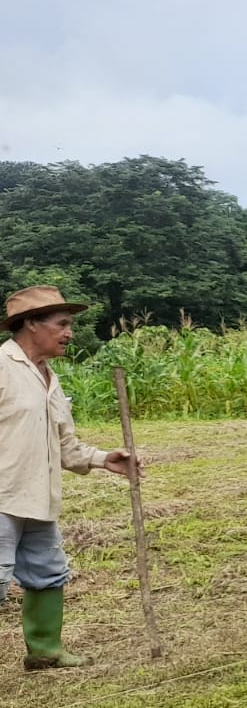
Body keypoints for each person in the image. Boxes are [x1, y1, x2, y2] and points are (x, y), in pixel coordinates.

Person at [0, 286, 140, 670]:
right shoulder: (1, 367)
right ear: (31, 324)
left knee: (47, 573)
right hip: (2, 496)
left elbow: (65, 444)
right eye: (62, 324)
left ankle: (45, 650)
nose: (69, 333)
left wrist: (103, 459)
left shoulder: (50, 379)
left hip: (39, 496)